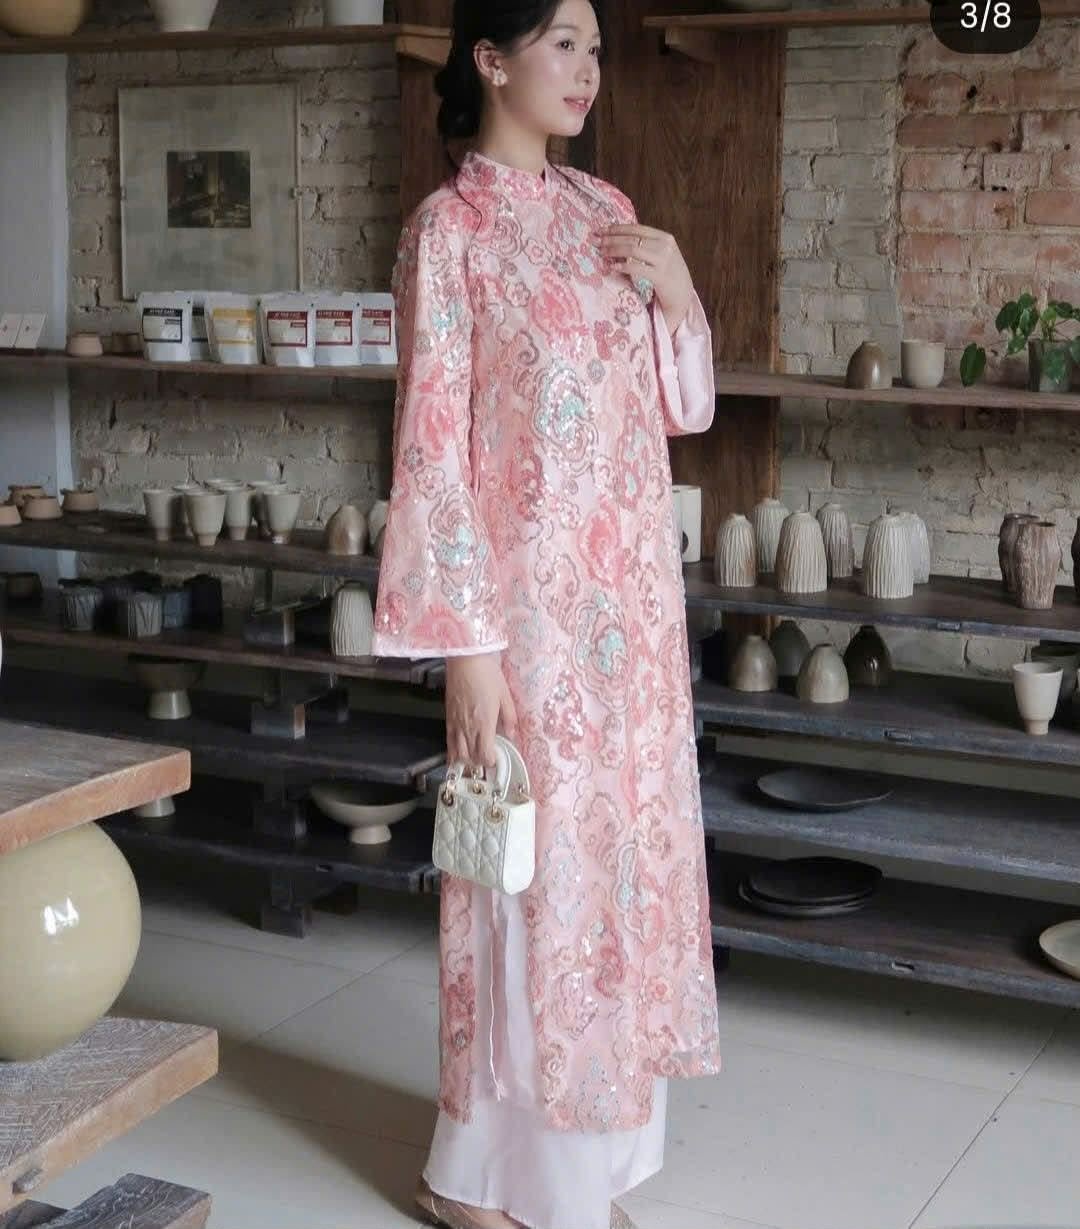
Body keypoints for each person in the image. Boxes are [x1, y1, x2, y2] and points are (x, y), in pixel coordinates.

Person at [369, 1, 723, 1226]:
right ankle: (483, 1176)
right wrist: (468, 649)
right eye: (563, 43)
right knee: (527, 880)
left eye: (595, 47)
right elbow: (430, 450)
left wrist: (679, 292)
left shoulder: (606, 211)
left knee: (618, 873)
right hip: (526, 619)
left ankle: (584, 1169)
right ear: (491, 59)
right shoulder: (448, 231)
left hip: (630, 614)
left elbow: (679, 409)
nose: (588, 69)